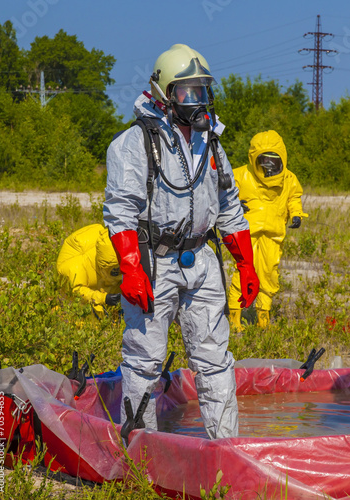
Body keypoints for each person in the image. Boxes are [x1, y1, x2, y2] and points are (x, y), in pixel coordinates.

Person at [103, 44, 259, 440]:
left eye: (203, 91)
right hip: (154, 261)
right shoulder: (134, 144)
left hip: (202, 260)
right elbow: (121, 210)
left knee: (215, 360)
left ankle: (228, 451)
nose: (198, 101)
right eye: (188, 92)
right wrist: (131, 268)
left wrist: (246, 263)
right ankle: (140, 455)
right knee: (144, 361)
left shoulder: (211, 142)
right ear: (164, 93)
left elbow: (229, 206)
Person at [228, 130, 308, 330]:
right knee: (243, 272)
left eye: (273, 161)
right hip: (246, 234)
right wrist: (235, 204)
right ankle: (234, 318)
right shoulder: (240, 175)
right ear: (254, 159)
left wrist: (296, 213)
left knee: (269, 275)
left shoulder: (289, 179)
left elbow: (293, 198)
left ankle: (264, 319)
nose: (269, 166)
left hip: (273, 235)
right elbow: (223, 195)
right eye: (264, 161)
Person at [56, 224, 121, 319]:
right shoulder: (74, 267)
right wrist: (103, 298)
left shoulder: (115, 254)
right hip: (78, 303)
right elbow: (77, 291)